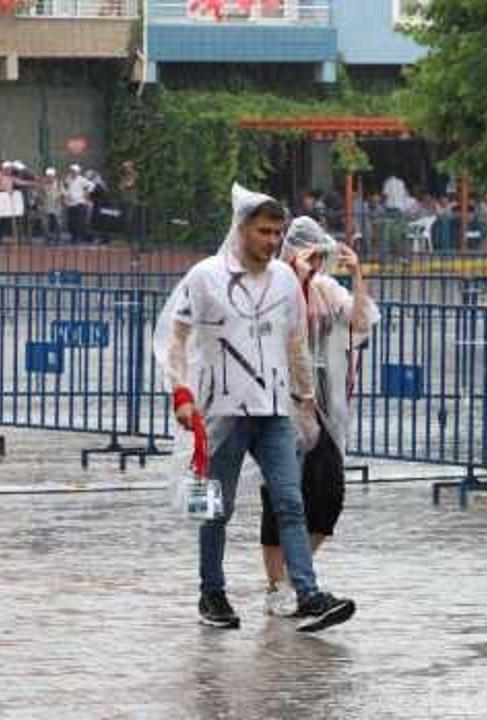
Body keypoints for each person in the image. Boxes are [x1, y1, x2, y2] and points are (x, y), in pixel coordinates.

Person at [153, 184, 356, 633]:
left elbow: (295, 342)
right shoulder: (205, 276)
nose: (272, 240)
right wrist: (180, 392)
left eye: (278, 232)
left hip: (273, 410)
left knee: (290, 499)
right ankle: (212, 591)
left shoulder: (284, 280)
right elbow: (176, 337)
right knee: (215, 506)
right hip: (222, 411)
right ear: (242, 229)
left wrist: (304, 400)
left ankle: (307, 594)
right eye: (264, 231)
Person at [258, 216, 379, 615]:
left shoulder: (327, 290)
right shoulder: (273, 283)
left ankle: (297, 573)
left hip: (325, 407)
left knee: (328, 496)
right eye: (310, 253)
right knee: (282, 496)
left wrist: (357, 274)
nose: (316, 261)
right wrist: (296, 272)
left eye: (320, 255)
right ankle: (279, 586)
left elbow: (361, 322)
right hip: (282, 404)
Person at [64, 165, 95, 244]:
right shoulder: (68, 178)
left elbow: (91, 186)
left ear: (78, 172)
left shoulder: (82, 179)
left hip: (79, 203)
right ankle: (73, 237)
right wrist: (66, 199)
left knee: (79, 222)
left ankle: (78, 238)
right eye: (71, 170)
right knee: (71, 222)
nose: (72, 172)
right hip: (70, 204)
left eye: (74, 171)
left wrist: (86, 196)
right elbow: (67, 188)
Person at [40, 168, 64, 244]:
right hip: (46, 206)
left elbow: (63, 193)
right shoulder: (42, 184)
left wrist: (60, 199)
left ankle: (58, 239)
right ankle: (47, 239)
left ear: (54, 176)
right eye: (48, 176)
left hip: (56, 206)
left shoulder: (59, 183)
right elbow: (39, 194)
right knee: (45, 224)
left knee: (58, 223)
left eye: (51, 176)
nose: (49, 177)